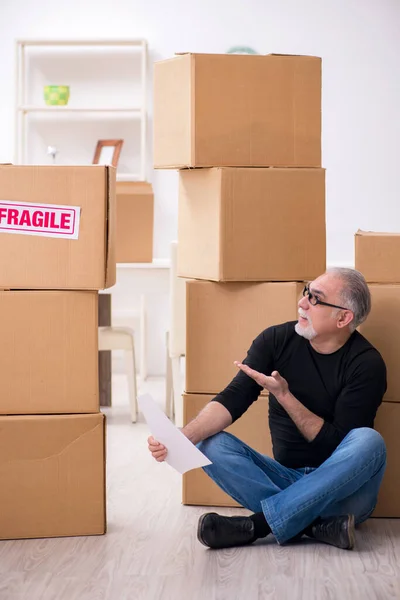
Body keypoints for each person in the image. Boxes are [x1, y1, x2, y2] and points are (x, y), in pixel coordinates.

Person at [148, 268, 387, 551]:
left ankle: (258, 526)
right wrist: (182, 436)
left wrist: (284, 396)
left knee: (369, 442)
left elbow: (333, 445)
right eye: (306, 292)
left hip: (344, 494)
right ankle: (315, 525)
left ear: (343, 317)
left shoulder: (367, 364)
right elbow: (234, 397)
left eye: (316, 299)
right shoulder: (276, 340)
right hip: (285, 478)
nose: (302, 303)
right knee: (208, 439)